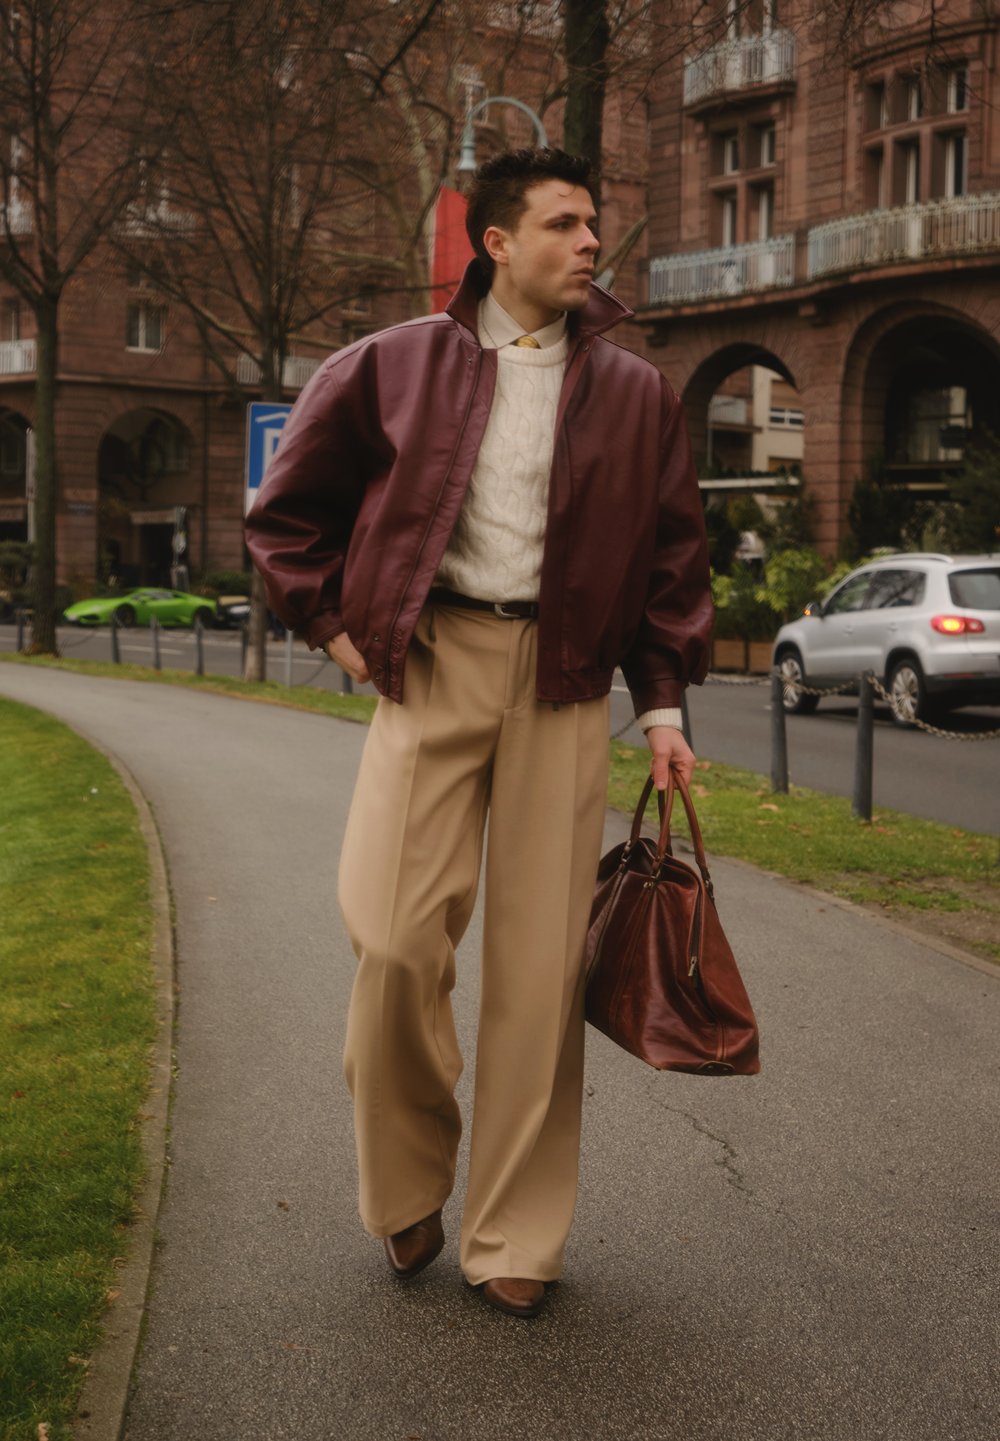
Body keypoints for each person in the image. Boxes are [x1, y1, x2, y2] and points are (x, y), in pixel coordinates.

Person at [245, 148, 712, 1319]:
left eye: (594, 223)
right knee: (397, 940)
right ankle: (405, 1178)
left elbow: (670, 562)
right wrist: (341, 633)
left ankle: (515, 1233)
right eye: (564, 223)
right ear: (495, 242)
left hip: (564, 684)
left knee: (538, 973)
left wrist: (660, 708)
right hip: (432, 666)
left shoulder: (635, 391)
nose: (591, 241)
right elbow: (284, 516)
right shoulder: (391, 366)